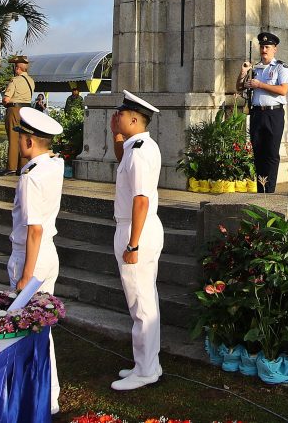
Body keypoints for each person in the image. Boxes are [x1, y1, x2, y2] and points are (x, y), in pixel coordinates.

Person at [6, 106, 64, 414]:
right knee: (42, 327)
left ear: (28, 142)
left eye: (21, 139)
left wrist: (26, 274)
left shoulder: (30, 176)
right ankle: (48, 392)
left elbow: (34, 229)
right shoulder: (53, 165)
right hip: (47, 254)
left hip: (31, 256)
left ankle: (45, 397)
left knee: (32, 329)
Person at [109, 90, 164, 391]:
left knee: (141, 305)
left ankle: (146, 370)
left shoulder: (140, 150)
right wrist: (116, 136)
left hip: (136, 229)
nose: (115, 117)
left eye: (120, 114)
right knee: (143, 302)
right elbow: (123, 164)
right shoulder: (136, 145)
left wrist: (133, 244)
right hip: (137, 228)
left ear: (133, 119)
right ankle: (146, 363)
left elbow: (141, 199)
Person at [236, 31, 288, 193]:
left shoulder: (281, 67)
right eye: (262, 47)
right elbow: (239, 88)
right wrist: (243, 73)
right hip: (257, 114)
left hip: (274, 114)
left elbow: (283, 90)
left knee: (271, 153)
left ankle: (270, 190)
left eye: (267, 47)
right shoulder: (255, 68)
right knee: (258, 153)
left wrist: (260, 85)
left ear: (275, 49)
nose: (264, 50)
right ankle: (261, 190)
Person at [0, 56, 35, 176]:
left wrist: (5, 101)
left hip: (15, 109)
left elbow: (6, 99)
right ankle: (23, 166)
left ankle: (11, 167)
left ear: (18, 68)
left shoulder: (14, 80)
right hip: (27, 110)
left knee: (14, 138)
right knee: (24, 138)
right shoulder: (31, 81)